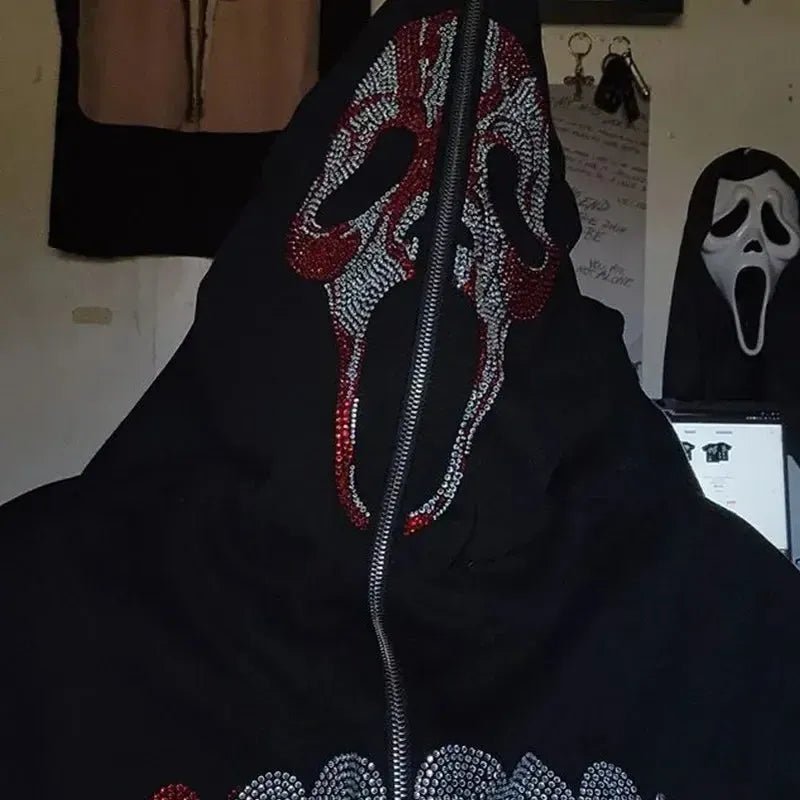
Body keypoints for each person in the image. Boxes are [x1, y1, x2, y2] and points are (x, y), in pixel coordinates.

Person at [2, 1, 799, 798]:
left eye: (504, 198)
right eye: (375, 173)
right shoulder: (39, 602)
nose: (433, 237)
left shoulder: (738, 626)